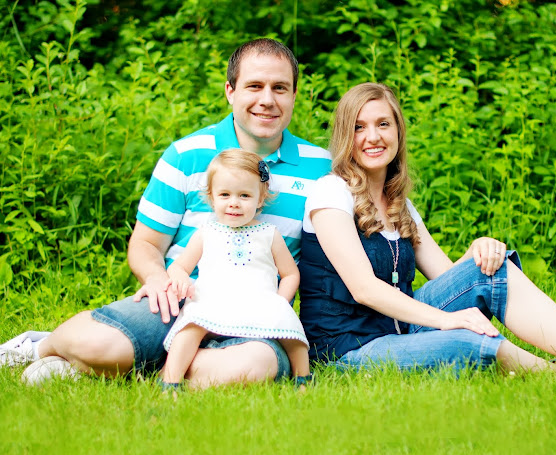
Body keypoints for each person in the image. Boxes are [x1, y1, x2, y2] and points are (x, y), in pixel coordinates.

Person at [0, 38, 330, 387]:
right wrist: (159, 280)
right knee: (96, 342)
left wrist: (279, 307)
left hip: (254, 319)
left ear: (294, 95)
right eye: (254, 86)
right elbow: (145, 244)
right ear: (230, 91)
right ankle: (42, 347)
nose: (267, 99)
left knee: (255, 365)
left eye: (280, 88)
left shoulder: (320, 167)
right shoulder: (186, 154)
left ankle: (119, 369)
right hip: (179, 300)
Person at [298, 82, 556, 377]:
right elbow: (364, 290)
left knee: (489, 271)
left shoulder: (398, 204)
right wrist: (447, 321)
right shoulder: (331, 192)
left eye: (383, 124)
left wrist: (479, 250)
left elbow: (452, 279)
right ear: (346, 135)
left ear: (398, 132)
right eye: (359, 127)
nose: (373, 137)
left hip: (397, 329)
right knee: (465, 340)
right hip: (347, 348)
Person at [160, 149, 310, 390]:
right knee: (189, 330)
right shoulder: (206, 232)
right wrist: (180, 279)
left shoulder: (269, 234)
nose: (234, 203)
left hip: (259, 301)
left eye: (244, 195)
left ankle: (303, 379)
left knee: (292, 333)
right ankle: (171, 382)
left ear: (260, 199)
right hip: (212, 300)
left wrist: (281, 300)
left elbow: (290, 273)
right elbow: (179, 266)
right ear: (211, 197)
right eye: (225, 194)